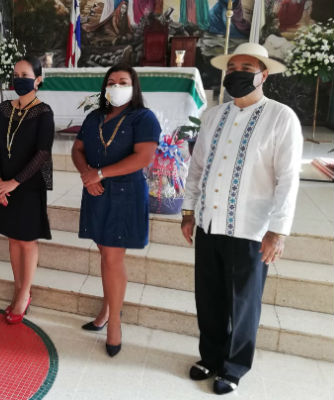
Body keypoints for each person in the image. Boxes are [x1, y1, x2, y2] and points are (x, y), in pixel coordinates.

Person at [181, 43, 302, 395]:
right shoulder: (213, 116)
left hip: (251, 229)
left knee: (243, 302)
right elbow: (197, 168)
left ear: (263, 74)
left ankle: (233, 367)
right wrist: (189, 211)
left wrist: (278, 231)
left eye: (246, 66)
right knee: (209, 296)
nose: (237, 72)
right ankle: (210, 356)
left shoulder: (281, 117)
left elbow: (287, 179)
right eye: (232, 66)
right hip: (209, 224)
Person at [71, 63, 160, 357]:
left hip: (124, 193)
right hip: (95, 190)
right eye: (111, 82)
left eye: (123, 81)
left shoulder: (143, 118)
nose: (116, 86)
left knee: (111, 257)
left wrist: (100, 174)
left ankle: (114, 323)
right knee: (104, 253)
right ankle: (107, 309)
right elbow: (78, 149)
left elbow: (143, 157)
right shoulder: (94, 116)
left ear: (133, 87)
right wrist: (87, 174)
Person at [0, 56, 54, 324]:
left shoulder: (44, 112)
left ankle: (24, 294)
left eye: (25, 74)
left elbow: (42, 154)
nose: (19, 78)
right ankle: (18, 289)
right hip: (3, 183)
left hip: (28, 185)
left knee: (27, 240)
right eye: (16, 74)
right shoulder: (4, 108)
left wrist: (14, 183)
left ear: (38, 79)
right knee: (13, 238)